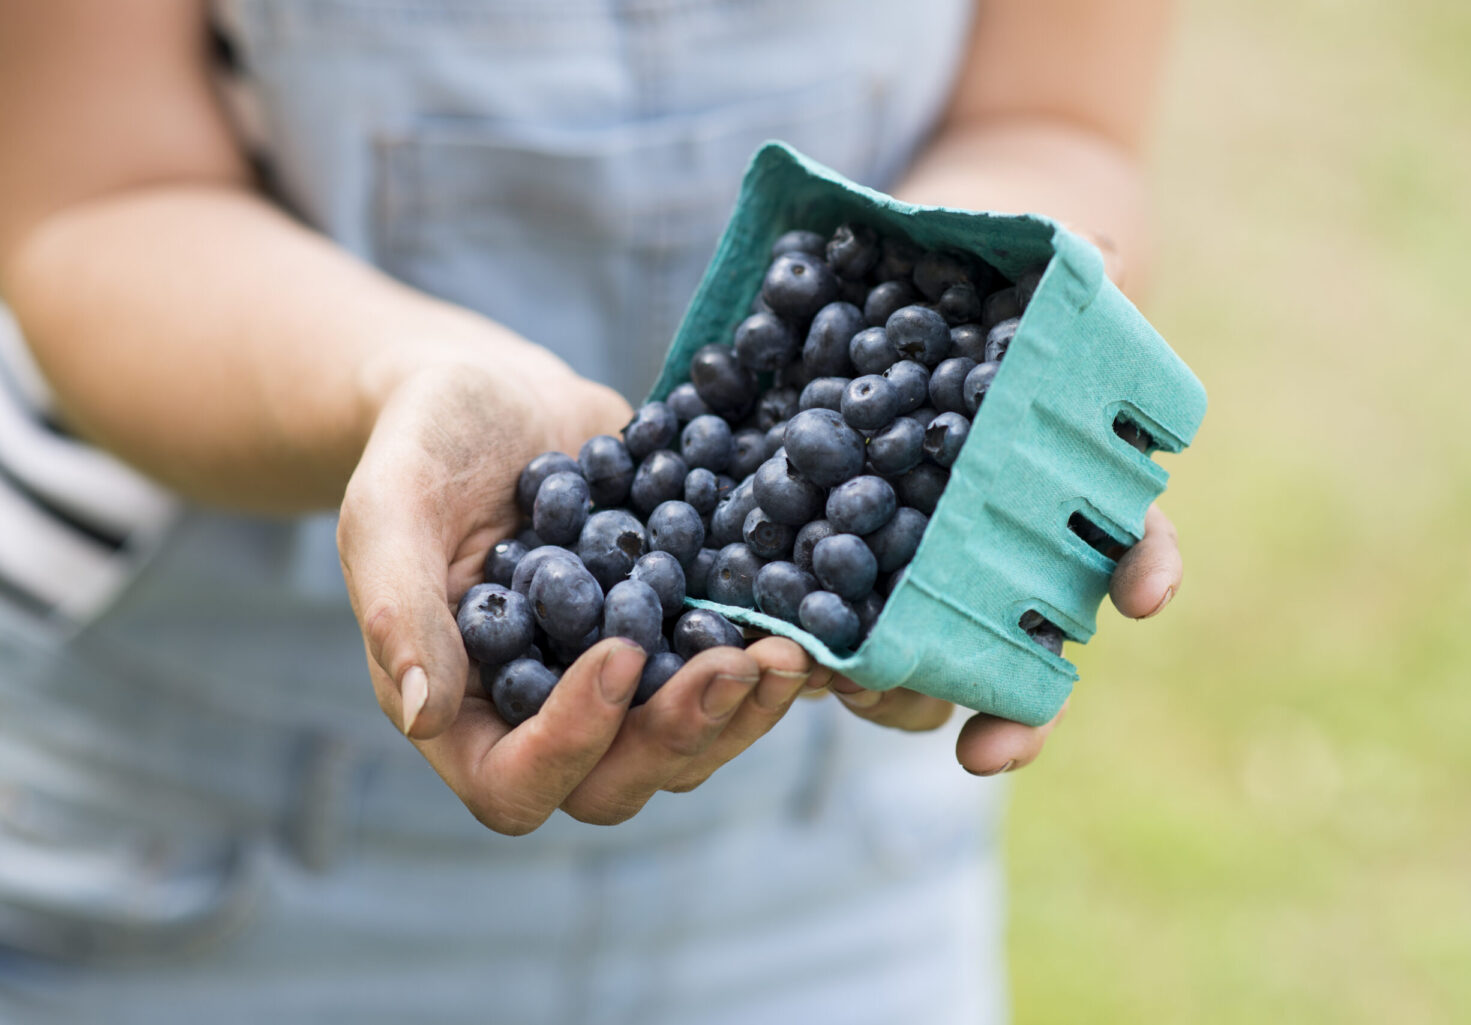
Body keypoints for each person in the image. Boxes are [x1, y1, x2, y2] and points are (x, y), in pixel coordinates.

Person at [0, 1, 1183, 1021]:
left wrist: (1016, 363)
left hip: (832, 869)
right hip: (190, 846)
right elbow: (94, 203)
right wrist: (405, 379)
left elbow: (1052, 118)